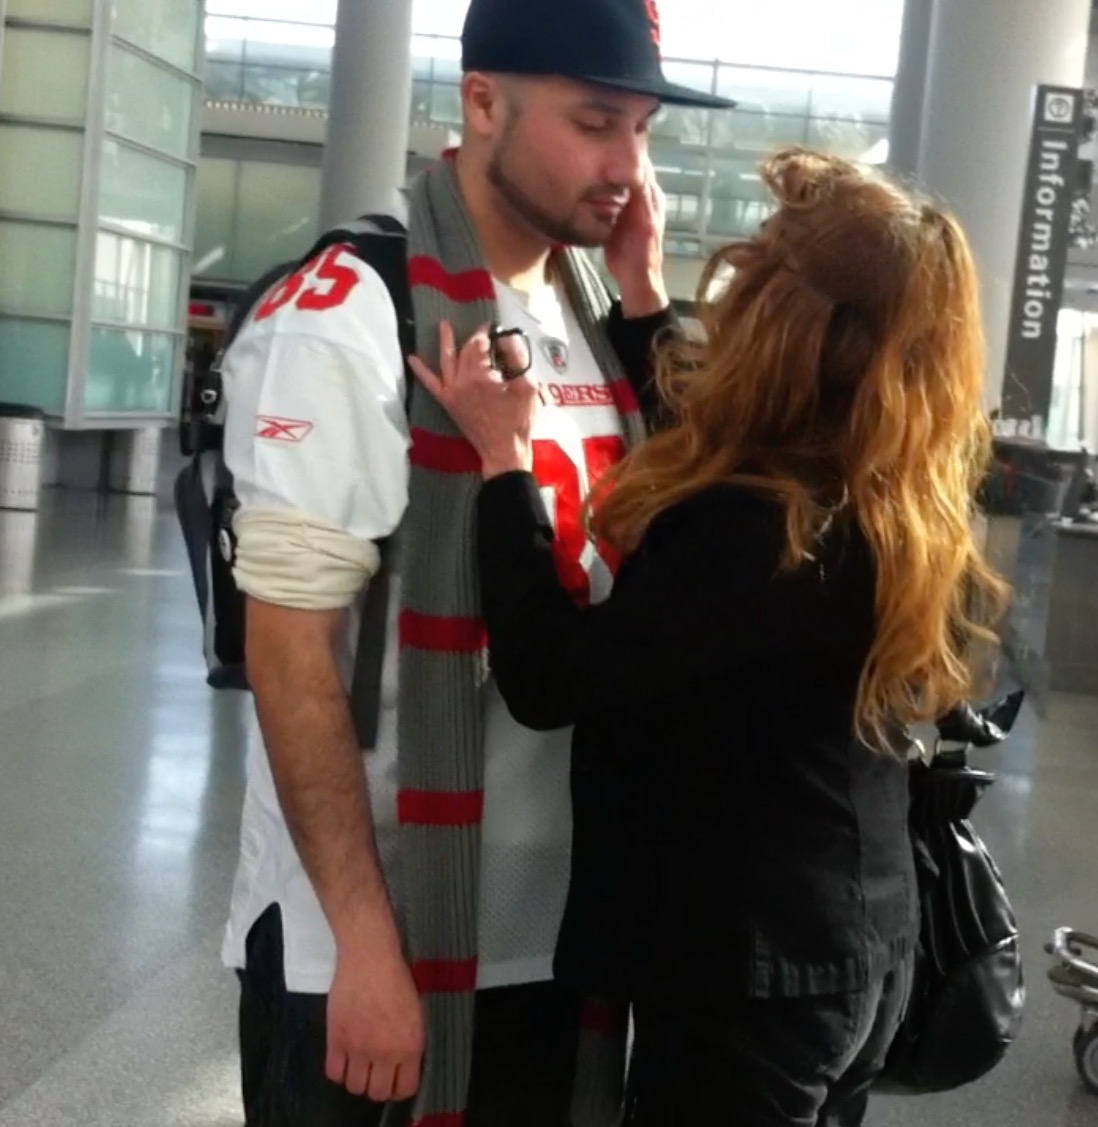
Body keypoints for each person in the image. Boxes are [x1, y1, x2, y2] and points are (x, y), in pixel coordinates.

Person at [411, 148, 1007, 1126]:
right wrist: (642, 295)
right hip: (852, 944)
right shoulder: (875, 485)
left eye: (750, 281)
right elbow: (724, 457)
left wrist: (506, 464)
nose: (726, 302)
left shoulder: (757, 527)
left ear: (783, 327)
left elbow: (550, 674)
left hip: (750, 983)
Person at [214, 0, 733, 1123]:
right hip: (376, 938)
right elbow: (289, 649)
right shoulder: (352, 310)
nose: (626, 166)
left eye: (641, 130)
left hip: (559, 932)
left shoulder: (593, 309)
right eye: (595, 122)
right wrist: (361, 943)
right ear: (483, 103)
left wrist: (646, 293)